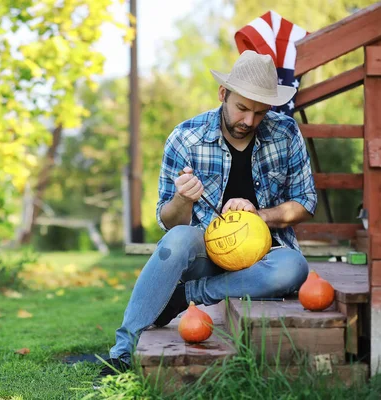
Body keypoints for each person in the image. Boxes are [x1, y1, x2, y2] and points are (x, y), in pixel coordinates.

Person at [94, 50, 317, 386]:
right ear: (223, 94)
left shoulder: (285, 133)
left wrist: (260, 214)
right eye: (242, 108)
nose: (250, 121)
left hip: (265, 258)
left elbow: (306, 201)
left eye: (260, 112)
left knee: (295, 268)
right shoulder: (185, 138)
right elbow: (170, 223)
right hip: (208, 252)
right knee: (177, 241)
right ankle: (123, 353)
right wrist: (183, 198)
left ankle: (187, 295)